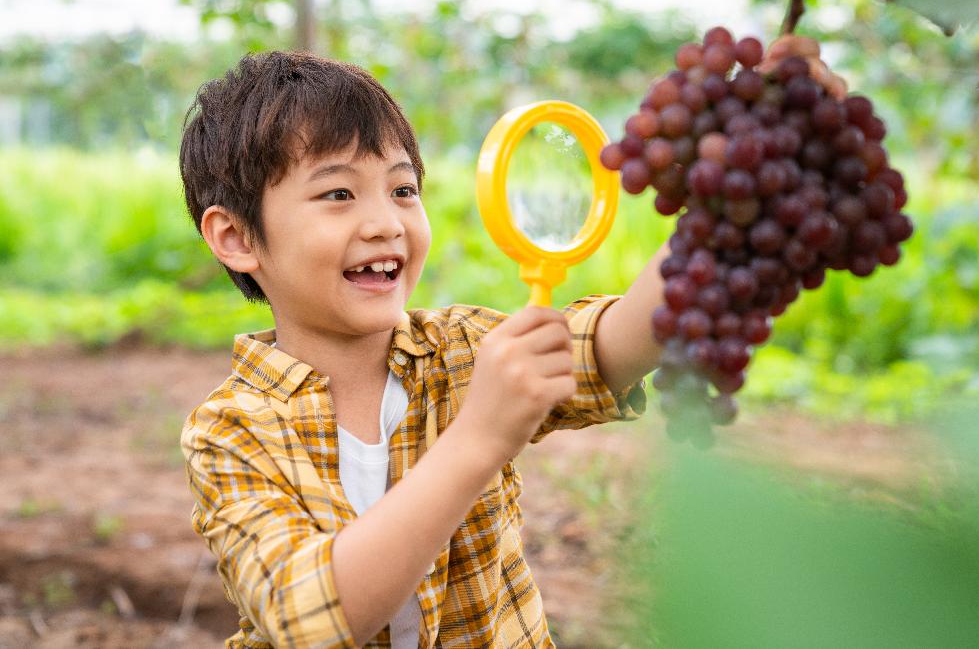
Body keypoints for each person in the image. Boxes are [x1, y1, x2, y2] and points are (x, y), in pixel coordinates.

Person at [179, 36, 836, 648]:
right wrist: (479, 438)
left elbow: (618, 341)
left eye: (404, 189)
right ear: (236, 237)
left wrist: (740, 191)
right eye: (339, 193)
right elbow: (307, 616)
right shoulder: (230, 431)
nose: (386, 222)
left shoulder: (463, 351)